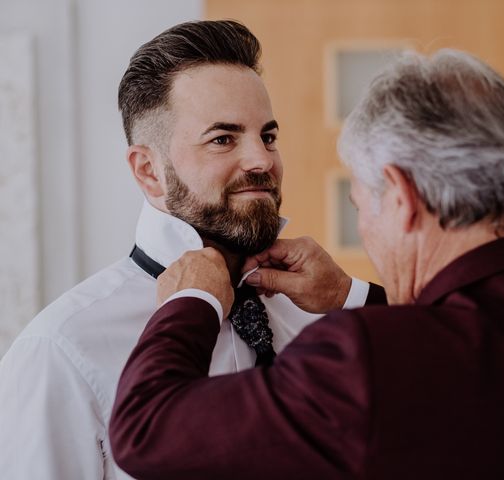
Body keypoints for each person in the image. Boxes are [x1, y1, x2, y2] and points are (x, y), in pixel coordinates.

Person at [109, 49, 504, 480]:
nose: (262, 160)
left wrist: (191, 300)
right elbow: (478, 358)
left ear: (404, 198)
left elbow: (143, 430)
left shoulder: (364, 360)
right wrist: (352, 297)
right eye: (224, 137)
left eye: (361, 203)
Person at [0, 21, 382, 479]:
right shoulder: (62, 351)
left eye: (269, 136)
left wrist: (350, 298)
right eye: (223, 138)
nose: (262, 160)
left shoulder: (323, 319)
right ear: (149, 171)